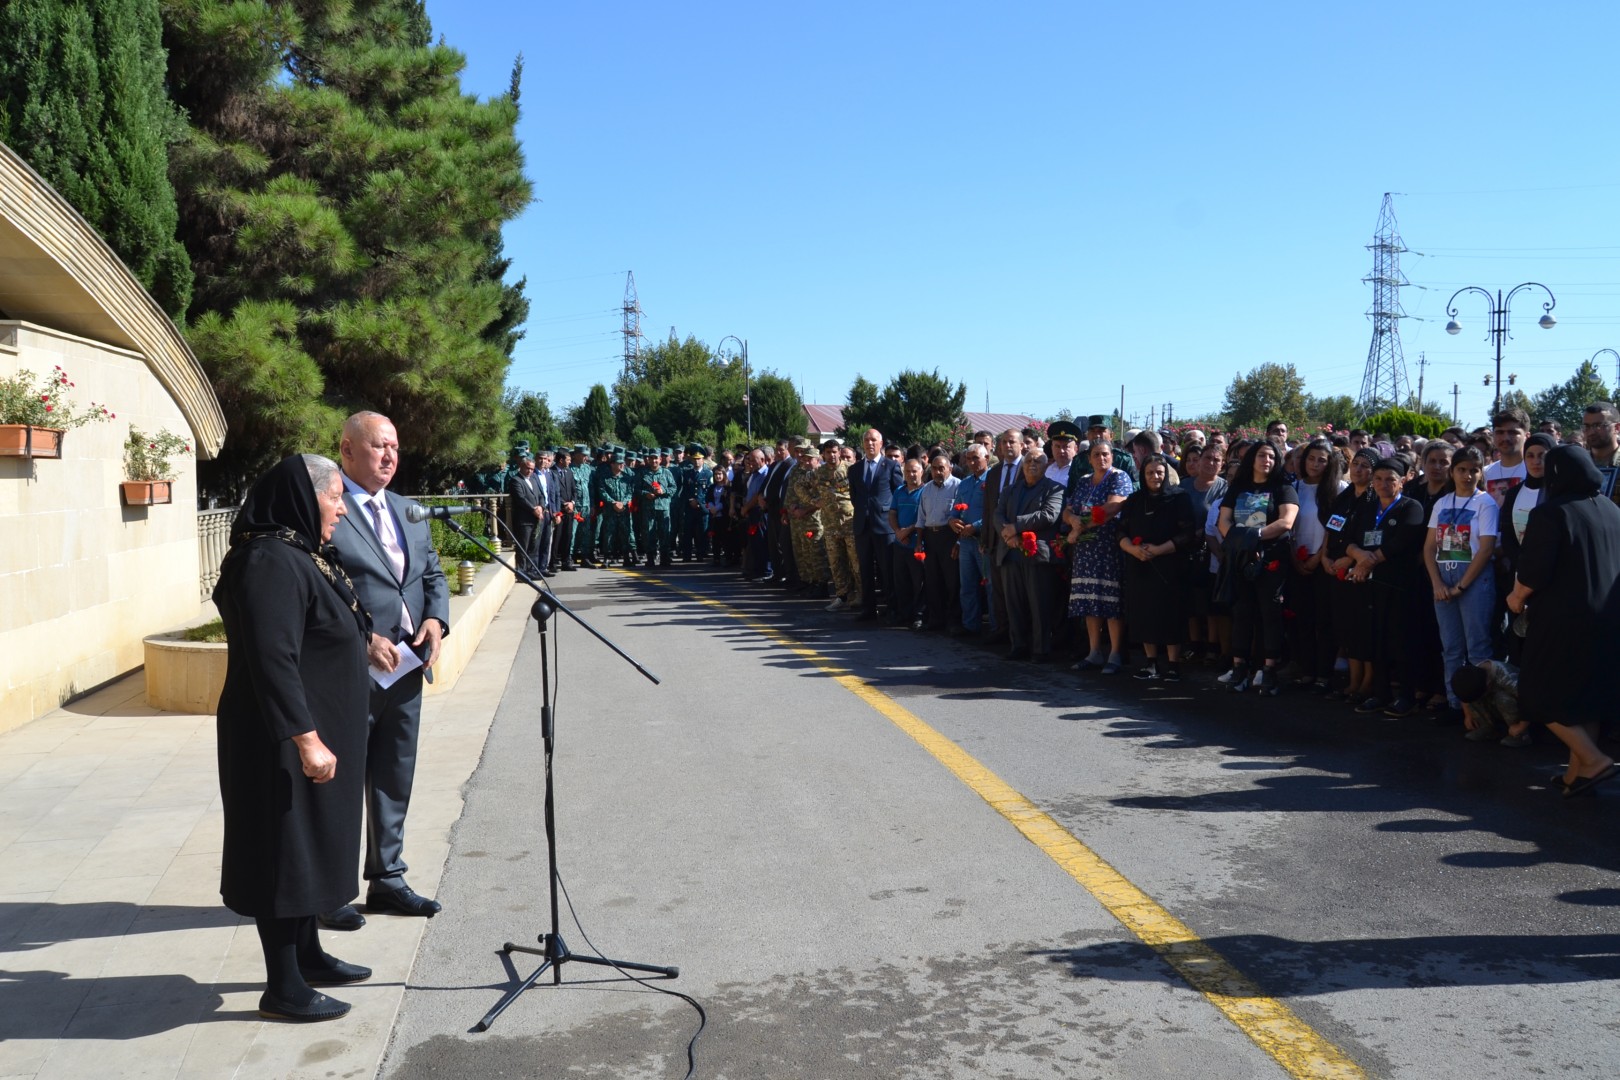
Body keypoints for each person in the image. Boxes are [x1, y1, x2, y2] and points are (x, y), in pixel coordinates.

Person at [215, 454, 372, 1021]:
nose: (340, 511)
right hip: (279, 741)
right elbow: (272, 658)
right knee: (283, 854)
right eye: (335, 499)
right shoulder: (268, 560)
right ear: (308, 499)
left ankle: (308, 955)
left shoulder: (298, 552)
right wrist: (306, 738)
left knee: (310, 848)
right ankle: (283, 986)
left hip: (314, 734)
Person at [323, 411, 448, 929]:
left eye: (396, 447)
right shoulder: (327, 506)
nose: (391, 456)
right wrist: (362, 637)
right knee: (341, 780)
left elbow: (433, 573)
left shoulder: (406, 509)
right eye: (380, 446)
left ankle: (388, 879)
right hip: (351, 671)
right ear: (348, 451)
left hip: (405, 669)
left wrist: (437, 620)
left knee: (395, 773)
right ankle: (329, 889)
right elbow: (319, 584)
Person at [1507, 446, 1620, 795]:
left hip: (1562, 618)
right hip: (1608, 615)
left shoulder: (1551, 513)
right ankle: (1578, 772)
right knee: (1586, 696)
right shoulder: (1612, 509)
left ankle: (1594, 759)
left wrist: (1515, 599)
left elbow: (1534, 572)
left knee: (1537, 692)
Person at [1345, 456, 1426, 716]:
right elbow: (1349, 538)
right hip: (1368, 585)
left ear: (1403, 481)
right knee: (1374, 638)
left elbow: (1401, 541)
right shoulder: (1367, 507)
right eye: (1378, 479)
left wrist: (1368, 561)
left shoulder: (1411, 507)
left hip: (1399, 585)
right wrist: (1358, 556)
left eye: (1390, 479)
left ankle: (1406, 696)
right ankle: (1380, 693)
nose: (1383, 484)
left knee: (1401, 641)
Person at [1217, 440, 1299, 695]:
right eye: (1262, 456)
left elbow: (1286, 522)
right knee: (1242, 611)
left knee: (1269, 612)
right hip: (1242, 558)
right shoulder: (1238, 487)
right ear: (1252, 458)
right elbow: (1224, 521)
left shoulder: (1283, 488)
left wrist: (1255, 537)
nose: (1267, 461)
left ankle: (1269, 669)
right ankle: (1239, 666)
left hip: (1272, 557)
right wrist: (1242, 543)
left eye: (1272, 457)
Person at [1423, 447, 1499, 721]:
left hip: (1474, 581)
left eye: (1474, 470)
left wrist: (1461, 587)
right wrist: (1437, 583)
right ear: (1452, 471)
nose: (1468, 475)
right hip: (1443, 580)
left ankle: (1483, 710)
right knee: (1451, 648)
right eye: (1462, 469)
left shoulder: (1486, 503)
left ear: (1481, 472)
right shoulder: (1442, 504)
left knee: (1478, 648)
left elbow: (1486, 549)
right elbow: (1429, 547)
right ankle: (1457, 705)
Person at [1117, 457, 1198, 681]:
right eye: (1150, 472)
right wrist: (1133, 550)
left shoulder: (1179, 497)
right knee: (1144, 614)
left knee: (1171, 615)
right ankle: (1150, 663)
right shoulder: (1134, 500)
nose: (1155, 477)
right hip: (1140, 564)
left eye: (1160, 472)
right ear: (1143, 475)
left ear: (1166, 474)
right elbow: (1120, 531)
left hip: (1170, 565)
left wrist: (1160, 549)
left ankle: (1173, 664)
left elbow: (1187, 533)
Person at [1063, 439, 1134, 674]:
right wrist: (1073, 521)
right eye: (1096, 455)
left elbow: (1113, 507)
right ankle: (1094, 652)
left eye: (1105, 454)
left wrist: (1079, 528)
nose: (1101, 458)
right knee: (1089, 600)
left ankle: (1114, 654)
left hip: (1108, 547)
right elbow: (1069, 508)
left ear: (1111, 456)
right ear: (1089, 458)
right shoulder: (1083, 481)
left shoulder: (1119, 477)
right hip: (1085, 550)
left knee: (1110, 600)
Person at [996, 452, 1066, 660]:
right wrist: (1008, 535)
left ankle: (1040, 649)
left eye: (1037, 461)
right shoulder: (1010, 490)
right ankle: (1018, 645)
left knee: (1039, 605)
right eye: (1028, 461)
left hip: (1038, 556)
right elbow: (997, 514)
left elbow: (1049, 515)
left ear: (1046, 466)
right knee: (1014, 604)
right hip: (1011, 553)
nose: (1032, 464)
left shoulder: (1055, 489)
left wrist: (1015, 527)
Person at [850, 427, 902, 621]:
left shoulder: (891, 466)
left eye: (874, 440)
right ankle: (868, 609)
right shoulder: (854, 469)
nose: (870, 443)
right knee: (865, 569)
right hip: (862, 526)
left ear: (881, 444)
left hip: (884, 526)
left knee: (887, 569)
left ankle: (892, 608)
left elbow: (897, 493)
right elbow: (855, 496)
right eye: (866, 440)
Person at [505, 453, 544, 577]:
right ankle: (522, 573)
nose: (530, 471)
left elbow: (541, 496)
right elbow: (521, 499)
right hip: (524, 520)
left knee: (534, 546)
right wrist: (533, 509)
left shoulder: (533, 479)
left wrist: (541, 507)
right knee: (523, 547)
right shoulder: (516, 480)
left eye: (532, 469)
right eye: (527, 468)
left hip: (536, 518)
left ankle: (531, 570)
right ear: (521, 466)